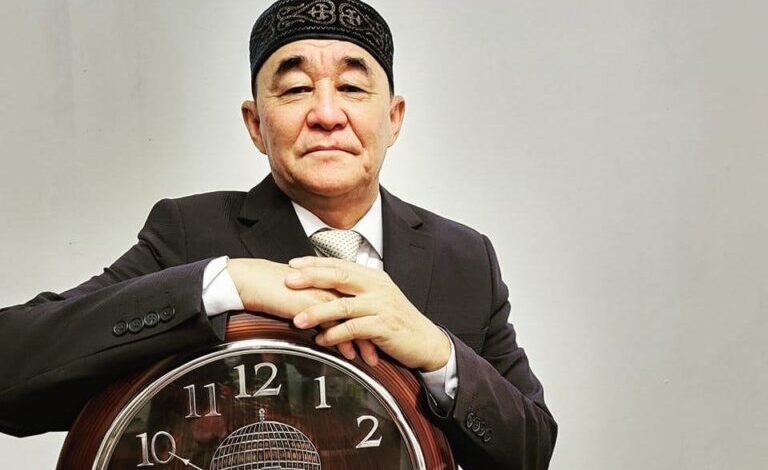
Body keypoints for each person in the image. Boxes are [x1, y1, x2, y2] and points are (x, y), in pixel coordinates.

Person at [0, 0, 557, 467]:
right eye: (294, 89)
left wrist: (437, 352)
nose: (326, 114)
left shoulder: (463, 257)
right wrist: (226, 283)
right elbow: (10, 368)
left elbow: (531, 451)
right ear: (255, 125)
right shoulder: (189, 234)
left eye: (352, 87)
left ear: (393, 118)